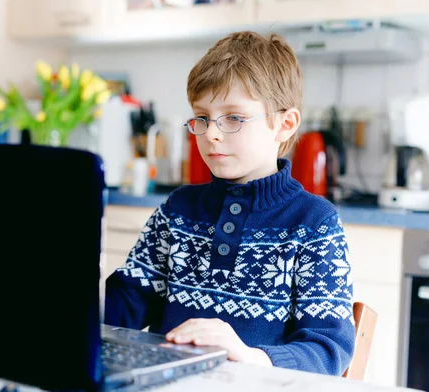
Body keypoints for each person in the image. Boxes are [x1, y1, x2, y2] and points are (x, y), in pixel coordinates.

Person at [105, 31, 355, 375]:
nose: (211, 133)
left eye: (234, 118)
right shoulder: (178, 210)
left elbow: (329, 349)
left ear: (284, 124)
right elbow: (122, 309)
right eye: (202, 117)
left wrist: (250, 354)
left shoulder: (314, 222)